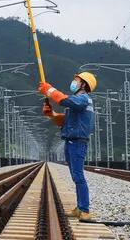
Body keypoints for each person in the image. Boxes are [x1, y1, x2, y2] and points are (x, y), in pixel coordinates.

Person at [39, 71, 98, 221]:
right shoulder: (78, 103)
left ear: (83, 84)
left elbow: (64, 100)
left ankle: (85, 210)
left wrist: (50, 90)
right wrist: (51, 114)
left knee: (78, 176)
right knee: (75, 175)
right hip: (71, 141)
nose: (74, 82)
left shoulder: (83, 99)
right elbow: (64, 121)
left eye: (76, 80)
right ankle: (80, 208)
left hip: (78, 142)